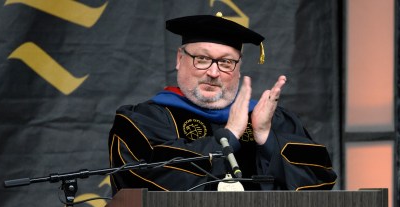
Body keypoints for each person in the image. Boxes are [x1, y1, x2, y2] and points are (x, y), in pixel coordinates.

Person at [108, 14, 337, 192]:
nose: (213, 72)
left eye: (226, 62)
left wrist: (267, 140)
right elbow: (142, 181)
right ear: (180, 59)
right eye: (203, 59)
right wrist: (229, 137)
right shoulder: (143, 121)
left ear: (238, 68)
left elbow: (321, 179)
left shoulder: (271, 120)